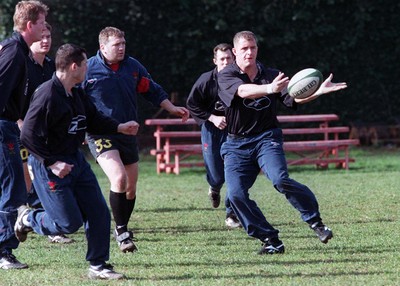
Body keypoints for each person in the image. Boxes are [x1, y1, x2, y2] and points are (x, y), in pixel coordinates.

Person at [17, 43, 140, 280]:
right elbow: (27, 135)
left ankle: (99, 265)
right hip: (50, 167)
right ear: (74, 66)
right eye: (84, 64)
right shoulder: (47, 94)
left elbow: (93, 119)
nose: (87, 68)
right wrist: (52, 162)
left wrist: (119, 127)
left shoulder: (76, 91)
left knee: (99, 213)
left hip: (76, 162)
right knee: (67, 223)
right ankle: (28, 219)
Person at [217, 31, 347, 254]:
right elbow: (242, 91)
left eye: (253, 47)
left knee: (280, 179)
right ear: (235, 52)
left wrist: (318, 91)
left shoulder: (271, 75)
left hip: (266, 138)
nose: (250, 52)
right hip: (236, 144)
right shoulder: (226, 75)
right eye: (245, 48)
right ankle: (270, 239)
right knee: (235, 195)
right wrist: (269, 89)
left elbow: (292, 98)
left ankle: (315, 222)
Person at [83, 26, 189, 253]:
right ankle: (122, 232)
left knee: (130, 189)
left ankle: (122, 226)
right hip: (100, 134)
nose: (121, 48)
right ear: (102, 47)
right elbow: (72, 100)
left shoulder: (132, 67)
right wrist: (76, 128)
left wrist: (172, 108)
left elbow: (152, 90)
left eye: (123, 44)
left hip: (127, 133)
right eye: (116, 45)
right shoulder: (88, 69)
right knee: (119, 178)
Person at [0, 0, 48, 270]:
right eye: (41, 23)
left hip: (7, 125)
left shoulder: (18, 50)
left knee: (12, 187)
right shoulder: (14, 52)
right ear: (30, 25)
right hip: (3, 126)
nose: (45, 29)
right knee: (13, 188)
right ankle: (4, 251)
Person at [20, 21, 74, 244]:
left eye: (48, 37)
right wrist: (19, 122)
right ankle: (24, 216)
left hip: (46, 136)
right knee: (24, 177)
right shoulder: (20, 65)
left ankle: (51, 223)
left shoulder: (53, 67)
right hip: (21, 131)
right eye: (41, 36)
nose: (45, 41)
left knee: (42, 177)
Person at [186, 43, 241, 228]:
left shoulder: (241, 78)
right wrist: (212, 118)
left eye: (229, 59)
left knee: (234, 172)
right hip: (211, 130)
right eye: (222, 59)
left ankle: (231, 214)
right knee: (217, 175)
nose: (226, 62)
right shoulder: (206, 80)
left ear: (234, 59)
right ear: (215, 61)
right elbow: (192, 104)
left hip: (234, 131)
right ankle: (214, 188)